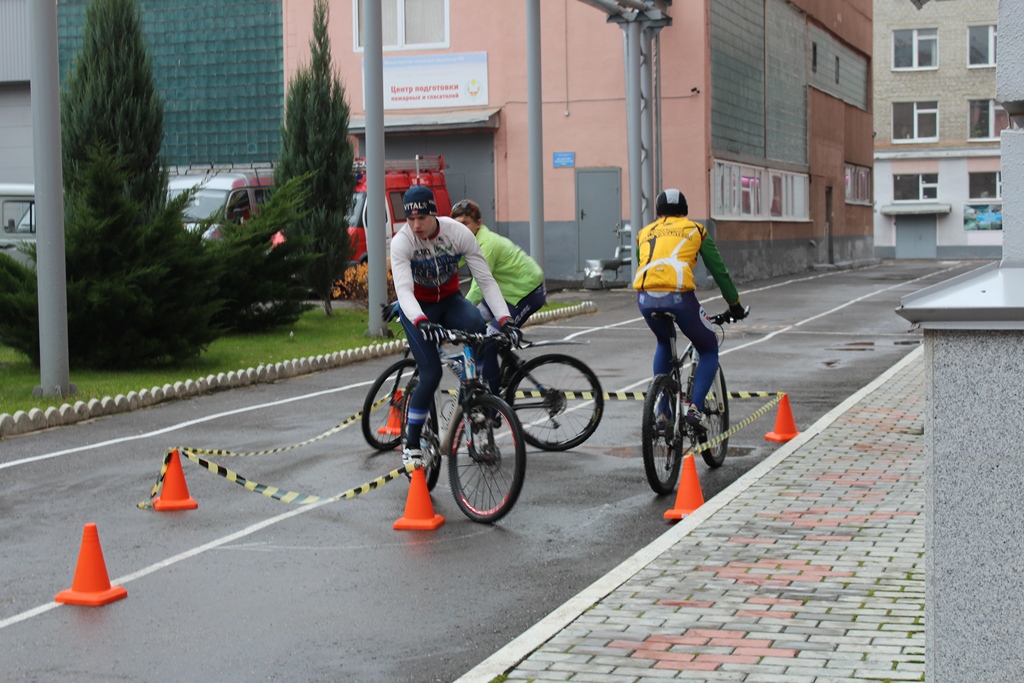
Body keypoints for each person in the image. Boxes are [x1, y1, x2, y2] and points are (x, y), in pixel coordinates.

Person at [390, 186, 522, 465]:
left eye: (422, 218)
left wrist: (505, 320)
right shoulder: (402, 242)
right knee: (431, 374)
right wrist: (422, 321)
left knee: (479, 328)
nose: (416, 226)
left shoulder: (457, 233)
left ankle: (478, 403)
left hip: (450, 301)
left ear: (434, 213)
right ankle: (412, 443)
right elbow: (403, 291)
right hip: (418, 309)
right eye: (410, 220)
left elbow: (485, 280)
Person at [633, 188, 748, 430]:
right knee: (708, 347)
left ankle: (663, 412)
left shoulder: (644, 233)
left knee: (664, 342)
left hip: (645, 298)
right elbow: (720, 271)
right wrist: (734, 305)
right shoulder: (696, 229)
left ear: (659, 212)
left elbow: (643, 261)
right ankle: (694, 409)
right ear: (685, 212)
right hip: (679, 298)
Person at [450, 198, 546, 330]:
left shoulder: (487, 245)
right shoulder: (467, 240)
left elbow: (478, 287)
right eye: (456, 225)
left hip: (526, 294)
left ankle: (500, 347)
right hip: (502, 293)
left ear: (478, 223)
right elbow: (449, 264)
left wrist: (459, 313)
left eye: (465, 223)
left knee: (492, 339)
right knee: (471, 325)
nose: (460, 229)